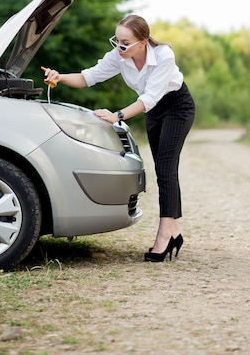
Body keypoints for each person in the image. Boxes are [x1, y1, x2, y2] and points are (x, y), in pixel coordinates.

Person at [41, 14, 195, 263]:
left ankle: (164, 236)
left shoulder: (164, 55)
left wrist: (117, 116)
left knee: (166, 168)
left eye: (125, 43)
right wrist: (60, 77)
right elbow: (88, 77)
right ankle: (175, 231)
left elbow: (150, 97)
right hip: (153, 111)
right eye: (117, 41)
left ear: (143, 42)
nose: (119, 47)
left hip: (177, 106)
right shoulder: (119, 57)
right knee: (163, 169)